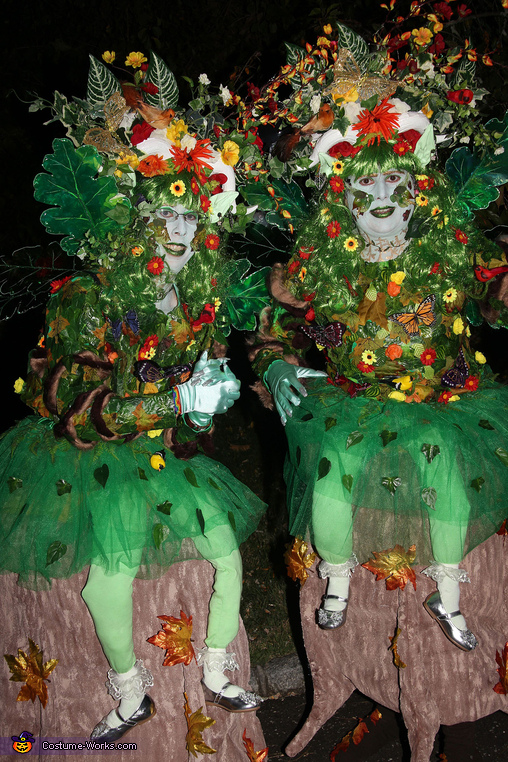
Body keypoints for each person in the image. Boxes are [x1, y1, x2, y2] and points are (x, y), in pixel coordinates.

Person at [0, 108, 267, 739]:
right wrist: (177, 403)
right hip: (91, 459)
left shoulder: (196, 302)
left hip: (162, 458)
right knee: (106, 582)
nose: (176, 232)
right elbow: (76, 404)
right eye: (160, 217)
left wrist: (217, 390)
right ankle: (128, 692)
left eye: (187, 217)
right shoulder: (86, 299)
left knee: (227, 554)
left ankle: (216, 666)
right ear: (129, 227)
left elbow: (195, 383)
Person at [251, 99, 508, 652]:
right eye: (367, 182)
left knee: (445, 472)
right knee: (331, 476)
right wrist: (273, 363)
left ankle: (448, 591)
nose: (385, 195)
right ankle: (336, 579)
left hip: (436, 401)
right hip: (354, 400)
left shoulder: (448, 251)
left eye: (396, 177)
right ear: (341, 198)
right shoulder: (323, 263)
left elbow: (497, 292)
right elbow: (272, 325)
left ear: (420, 190)